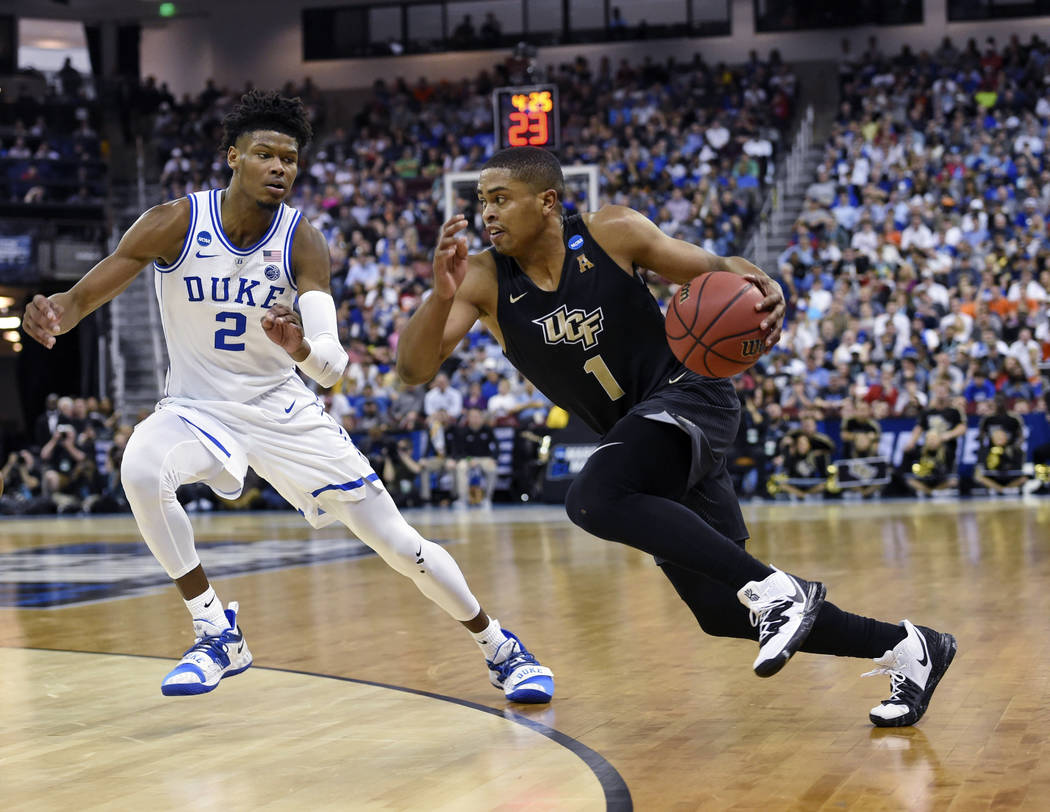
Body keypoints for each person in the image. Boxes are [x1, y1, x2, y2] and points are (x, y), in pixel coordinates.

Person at [22, 92, 552, 704]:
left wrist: (300, 348)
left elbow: (331, 369)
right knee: (140, 466)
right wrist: (55, 312)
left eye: (290, 159)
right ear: (233, 157)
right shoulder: (173, 221)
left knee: (401, 545)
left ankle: (499, 647)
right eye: (265, 154)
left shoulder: (304, 241)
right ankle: (215, 631)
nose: (280, 167)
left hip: (282, 408)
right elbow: (82, 298)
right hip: (198, 409)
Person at [397, 146, 956, 727]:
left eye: (500, 199)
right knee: (720, 610)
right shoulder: (483, 279)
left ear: (548, 202)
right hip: (640, 440)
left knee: (593, 497)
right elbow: (413, 370)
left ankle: (778, 590)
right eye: (482, 201)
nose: (486, 213)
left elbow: (717, 266)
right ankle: (910, 648)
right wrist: (440, 297)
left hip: (691, 397)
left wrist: (766, 288)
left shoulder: (611, 231)